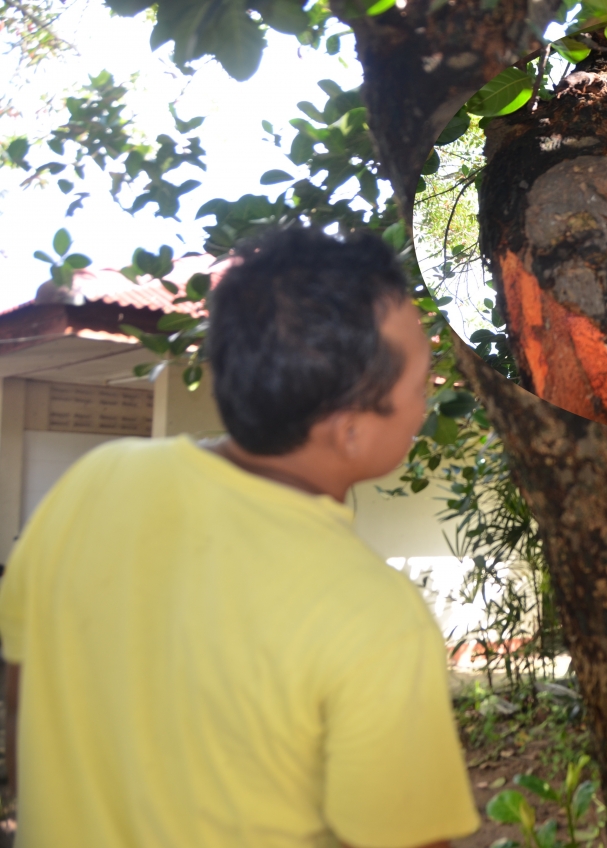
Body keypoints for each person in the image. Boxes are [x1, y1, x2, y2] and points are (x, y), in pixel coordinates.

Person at [0, 227, 478, 848]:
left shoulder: (91, 483)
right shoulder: (375, 615)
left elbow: (20, 696)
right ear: (352, 431)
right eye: (420, 386)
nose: (424, 405)